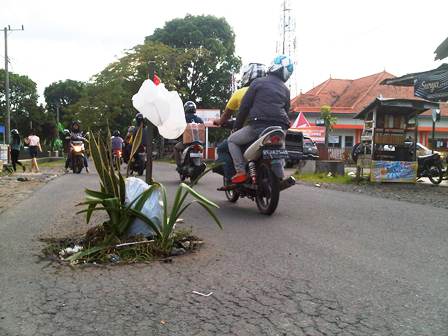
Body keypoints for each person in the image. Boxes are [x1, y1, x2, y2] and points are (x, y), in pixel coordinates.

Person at [227, 55, 293, 183]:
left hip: (258, 125)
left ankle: (240, 171)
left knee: (232, 141)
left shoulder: (258, 83)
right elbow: (286, 110)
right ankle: (280, 175)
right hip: (280, 127)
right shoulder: (286, 89)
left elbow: (244, 107)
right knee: (280, 147)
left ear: (273, 66)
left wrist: (236, 127)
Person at [213, 63, 267, 181]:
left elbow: (225, 116)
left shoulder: (240, 92)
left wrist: (218, 121)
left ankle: (238, 172)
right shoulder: (267, 92)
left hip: (252, 129)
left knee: (224, 147)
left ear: (247, 76)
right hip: (271, 128)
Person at [174, 101, 204, 170]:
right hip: (198, 143)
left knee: (176, 148)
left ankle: (179, 165)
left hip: (187, 143)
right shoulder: (199, 119)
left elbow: (179, 130)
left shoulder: (183, 119)